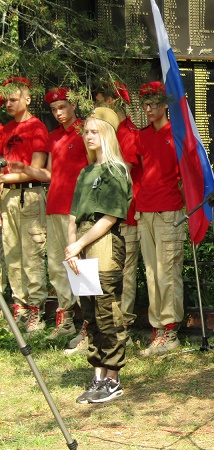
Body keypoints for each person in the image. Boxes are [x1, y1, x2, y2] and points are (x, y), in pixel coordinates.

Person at [10, 87, 90, 341]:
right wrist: (26, 169)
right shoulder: (54, 136)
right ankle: (65, 319)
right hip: (54, 206)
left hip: (78, 209)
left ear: (73, 106)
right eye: (54, 109)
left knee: (81, 266)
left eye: (62, 107)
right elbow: (49, 174)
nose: (58, 113)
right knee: (56, 266)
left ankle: (89, 323)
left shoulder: (85, 132)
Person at [65, 107, 131, 404]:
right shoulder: (85, 171)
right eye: (86, 132)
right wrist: (71, 249)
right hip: (81, 242)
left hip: (103, 243)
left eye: (94, 131)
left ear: (107, 133)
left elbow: (109, 218)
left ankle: (113, 379)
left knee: (107, 311)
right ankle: (98, 376)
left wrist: (78, 246)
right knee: (89, 312)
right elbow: (72, 216)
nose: (88, 136)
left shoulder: (116, 170)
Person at [136, 81, 186, 356]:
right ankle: (157, 330)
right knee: (152, 272)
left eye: (154, 102)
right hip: (145, 212)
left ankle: (170, 331)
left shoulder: (176, 134)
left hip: (169, 212)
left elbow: (187, 177)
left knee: (168, 272)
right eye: (145, 103)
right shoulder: (142, 137)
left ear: (166, 104)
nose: (149, 108)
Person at [0, 77, 49, 333]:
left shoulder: (37, 127)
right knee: (12, 255)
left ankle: (36, 311)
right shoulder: (6, 129)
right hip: (7, 196)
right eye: (6, 100)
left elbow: (38, 169)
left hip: (29, 196)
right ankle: (19, 307)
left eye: (14, 99)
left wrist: (7, 177)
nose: (8, 104)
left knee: (32, 255)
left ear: (27, 99)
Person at [94, 81, 141, 345]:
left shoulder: (128, 133)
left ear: (111, 102)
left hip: (126, 215)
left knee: (123, 273)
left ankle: (122, 326)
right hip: (105, 216)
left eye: (99, 101)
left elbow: (121, 174)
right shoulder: (108, 133)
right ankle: (105, 325)